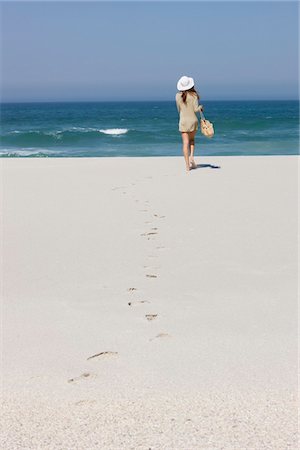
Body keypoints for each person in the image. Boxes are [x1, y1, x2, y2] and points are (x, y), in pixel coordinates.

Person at [176, 76, 204, 172]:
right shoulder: (194, 96)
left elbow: (178, 110)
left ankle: (187, 166)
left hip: (183, 121)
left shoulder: (177, 96)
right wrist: (200, 107)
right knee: (192, 140)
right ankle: (192, 156)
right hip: (193, 121)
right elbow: (196, 109)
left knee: (185, 143)